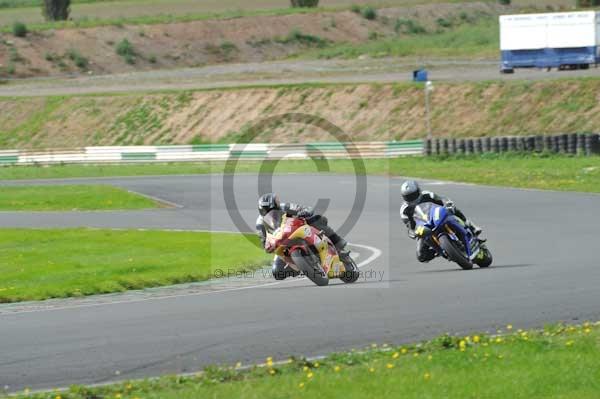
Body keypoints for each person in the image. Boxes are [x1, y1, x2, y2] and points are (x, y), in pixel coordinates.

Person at [256, 193, 351, 280]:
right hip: (281, 241)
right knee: (277, 271)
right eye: (267, 210)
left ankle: (338, 243)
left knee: (316, 220)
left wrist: (305, 211)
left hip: (297, 228)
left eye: (273, 208)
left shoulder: (284, 206)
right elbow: (264, 241)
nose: (271, 212)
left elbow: (304, 208)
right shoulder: (260, 224)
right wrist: (268, 246)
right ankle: (303, 267)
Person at [400, 180, 482, 263]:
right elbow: (410, 226)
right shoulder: (404, 211)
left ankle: (469, 224)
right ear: (404, 198)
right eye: (408, 197)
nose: (412, 198)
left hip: (436, 216)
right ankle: (440, 250)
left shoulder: (427, 194)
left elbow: (442, 200)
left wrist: (448, 204)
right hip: (424, 227)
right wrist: (413, 233)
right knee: (421, 256)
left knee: (453, 210)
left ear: (418, 191)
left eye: (413, 195)